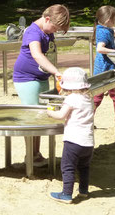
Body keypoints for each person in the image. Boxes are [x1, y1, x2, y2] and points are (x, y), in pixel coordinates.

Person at [13, 4, 70, 166]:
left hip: (40, 77)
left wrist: (52, 71)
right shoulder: (33, 32)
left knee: (41, 114)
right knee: (33, 116)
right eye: (55, 28)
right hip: (27, 78)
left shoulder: (46, 31)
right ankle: (30, 154)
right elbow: (36, 55)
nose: (55, 32)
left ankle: (35, 153)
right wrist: (56, 72)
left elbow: (49, 54)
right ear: (46, 19)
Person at [47, 67, 94, 204]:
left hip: (73, 140)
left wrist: (50, 112)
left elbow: (61, 115)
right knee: (84, 167)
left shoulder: (72, 99)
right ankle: (83, 190)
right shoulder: (88, 99)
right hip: (88, 141)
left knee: (67, 167)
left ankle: (66, 194)